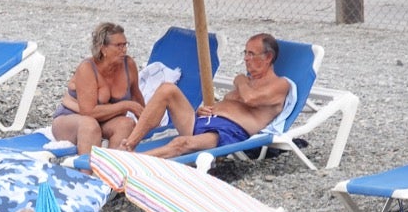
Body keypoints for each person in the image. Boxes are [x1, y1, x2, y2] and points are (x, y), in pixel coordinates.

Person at [119, 33, 290, 159]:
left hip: (227, 132)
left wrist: (239, 79)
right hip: (203, 120)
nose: (246, 58)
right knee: (167, 89)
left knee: (181, 144)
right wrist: (205, 110)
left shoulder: (280, 84)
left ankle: (132, 162)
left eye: (251, 54)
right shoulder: (247, 82)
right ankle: (129, 145)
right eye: (245, 53)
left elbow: (250, 99)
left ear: (268, 57)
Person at [52, 21, 145, 155]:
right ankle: (86, 173)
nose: (124, 50)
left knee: (127, 123)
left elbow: (136, 95)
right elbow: (88, 112)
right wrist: (125, 105)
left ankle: (112, 169)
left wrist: (146, 119)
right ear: (103, 48)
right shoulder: (87, 68)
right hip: (72, 118)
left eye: (125, 44)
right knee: (89, 125)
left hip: (105, 120)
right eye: (118, 46)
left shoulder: (128, 64)